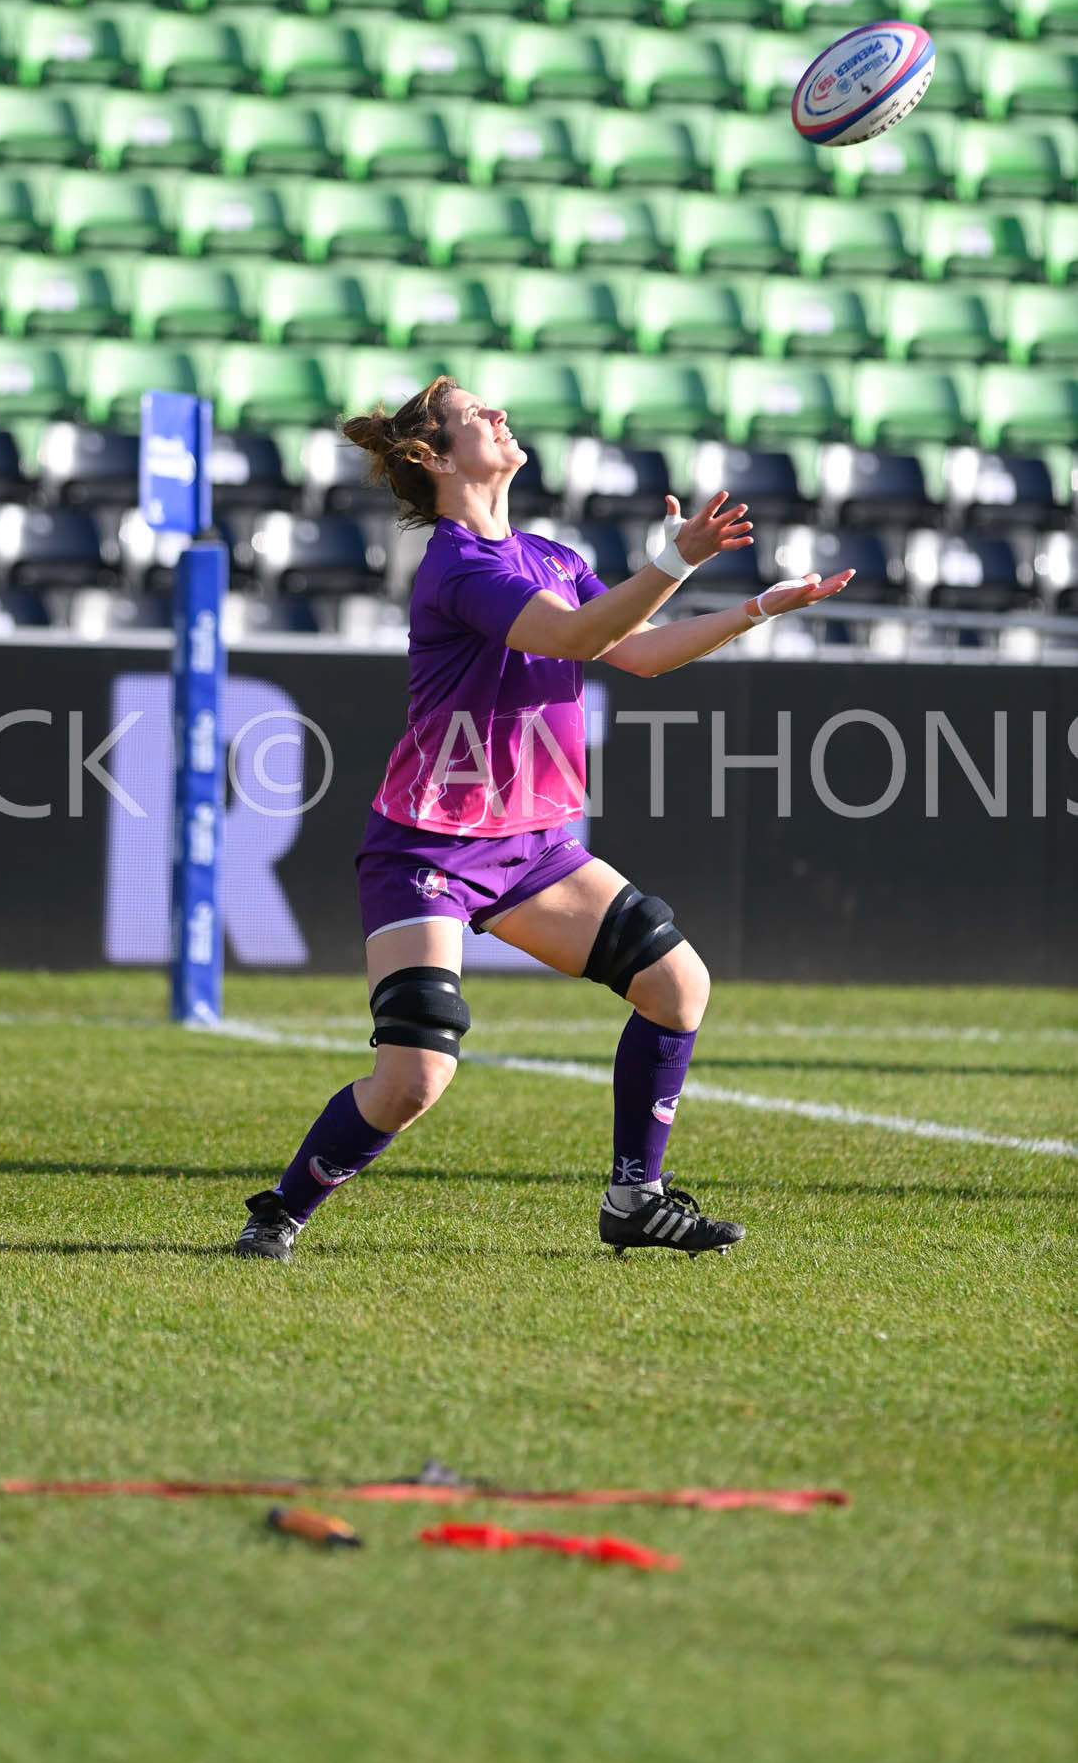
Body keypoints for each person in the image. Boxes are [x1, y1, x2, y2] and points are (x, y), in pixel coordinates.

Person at [235, 377, 852, 1263]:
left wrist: (757, 608)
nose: (498, 416)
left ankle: (634, 1200)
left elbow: (630, 651)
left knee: (676, 986)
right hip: (429, 848)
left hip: (532, 846)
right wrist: (673, 563)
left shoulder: (548, 555)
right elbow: (574, 640)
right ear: (433, 458)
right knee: (415, 1076)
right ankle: (280, 1212)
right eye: (474, 415)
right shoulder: (456, 564)